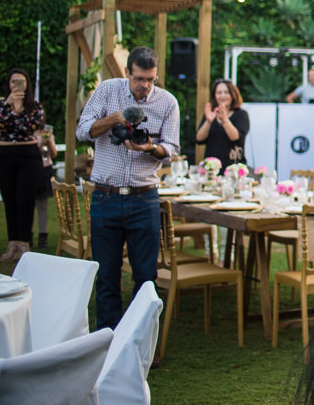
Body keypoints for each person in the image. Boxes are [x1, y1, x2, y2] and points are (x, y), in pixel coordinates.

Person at [76, 47, 179, 330]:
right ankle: (107, 342)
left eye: (150, 79)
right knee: (106, 275)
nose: (144, 85)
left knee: (146, 277)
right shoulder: (107, 91)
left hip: (143, 198)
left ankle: (140, 344)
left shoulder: (167, 102)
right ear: (127, 73)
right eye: (139, 79)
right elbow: (82, 130)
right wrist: (115, 119)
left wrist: (150, 147)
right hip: (105, 196)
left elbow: (171, 147)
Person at [0, 68, 46, 261]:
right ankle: (12, 242)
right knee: (10, 201)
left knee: (25, 199)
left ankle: (25, 243)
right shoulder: (1, 105)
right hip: (4, 155)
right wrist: (9, 105)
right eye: (14, 81)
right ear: (9, 84)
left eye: (21, 81)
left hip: (28, 155)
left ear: (27, 85)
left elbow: (31, 127)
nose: (17, 85)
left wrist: (15, 116)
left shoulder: (35, 107)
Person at [195, 78, 250, 170]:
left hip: (233, 168)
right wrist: (208, 121)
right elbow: (199, 139)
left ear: (233, 95)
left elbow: (236, 138)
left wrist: (224, 119)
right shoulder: (211, 114)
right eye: (219, 93)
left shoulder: (241, 114)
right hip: (211, 169)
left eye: (226, 92)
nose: (222, 95)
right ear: (215, 96)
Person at [34, 124, 58, 249]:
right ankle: (27, 235)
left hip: (44, 170)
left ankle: (42, 237)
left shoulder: (47, 133)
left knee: (42, 205)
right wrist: (38, 144)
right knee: (27, 204)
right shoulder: (27, 134)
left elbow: (54, 154)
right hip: (30, 169)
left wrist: (48, 143)